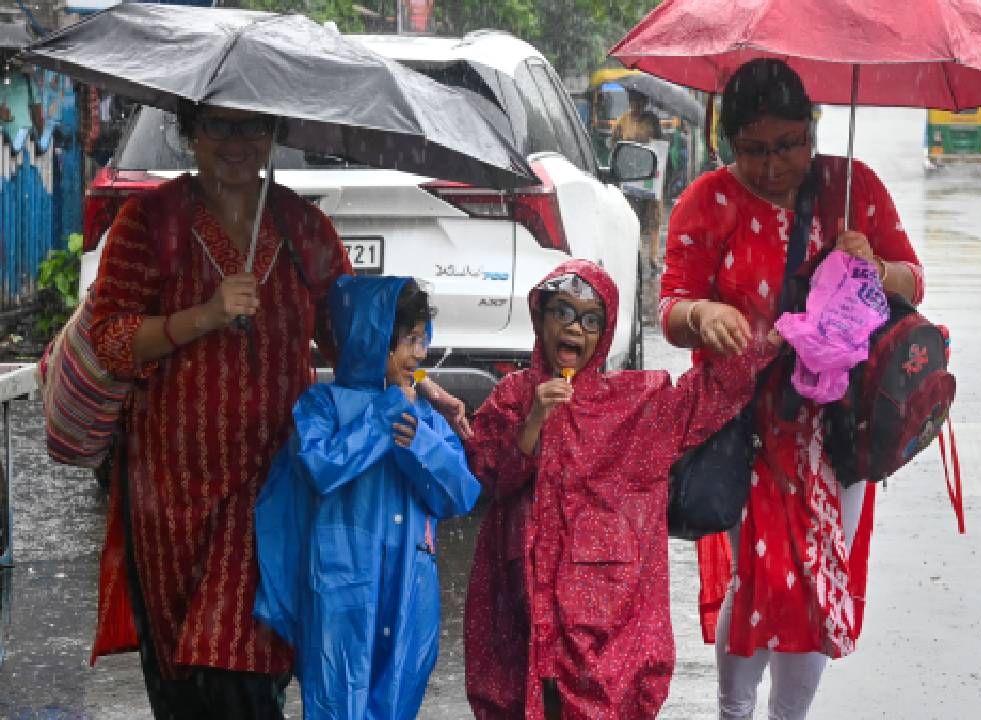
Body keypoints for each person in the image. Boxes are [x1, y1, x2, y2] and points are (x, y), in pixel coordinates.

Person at [86, 102, 467, 719]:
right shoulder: (149, 222)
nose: (236, 143)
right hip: (167, 494)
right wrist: (205, 315)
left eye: (253, 127)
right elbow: (110, 340)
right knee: (183, 676)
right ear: (190, 131)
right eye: (218, 126)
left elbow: (357, 342)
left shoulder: (302, 228)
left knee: (240, 658)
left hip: (274, 482)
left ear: (275, 133)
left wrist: (421, 385)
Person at [657, 59, 926, 719]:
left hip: (837, 428)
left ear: (812, 132)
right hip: (746, 425)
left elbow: (914, 282)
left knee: (813, 583)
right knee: (759, 585)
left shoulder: (850, 187)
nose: (774, 165)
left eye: (789, 145)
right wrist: (704, 316)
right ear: (729, 143)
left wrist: (877, 267)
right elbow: (671, 309)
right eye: (755, 150)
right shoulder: (708, 201)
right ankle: (733, 710)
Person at [463, 259, 779, 720]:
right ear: (541, 318)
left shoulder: (635, 406)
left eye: (591, 320)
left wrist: (725, 322)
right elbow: (489, 474)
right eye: (563, 313)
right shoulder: (513, 395)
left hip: (607, 634)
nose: (575, 328)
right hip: (522, 619)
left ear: (605, 333)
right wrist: (533, 424)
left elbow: (716, 391)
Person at [253, 275, 481, 720]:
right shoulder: (322, 405)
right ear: (372, 339)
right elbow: (320, 467)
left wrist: (422, 445)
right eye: (409, 340)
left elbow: (461, 494)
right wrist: (383, 417)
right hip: (340, 589)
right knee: (337, 702)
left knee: (399, 698)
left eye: (422, 339)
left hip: (409, 586)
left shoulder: (421, 415)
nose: (420, 353)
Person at [610, 88, 664, 274]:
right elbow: (614, 144)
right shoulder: (622, 121)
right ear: (630, 102)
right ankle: (636, 254)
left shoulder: (652, 121)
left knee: (654, 217)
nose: (637, 107)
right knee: (633, 217)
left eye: (640, 103)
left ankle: (653, 257)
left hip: (650, 178)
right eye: (634, 103)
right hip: (631, 178)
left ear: (645, 103)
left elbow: (659, 143)